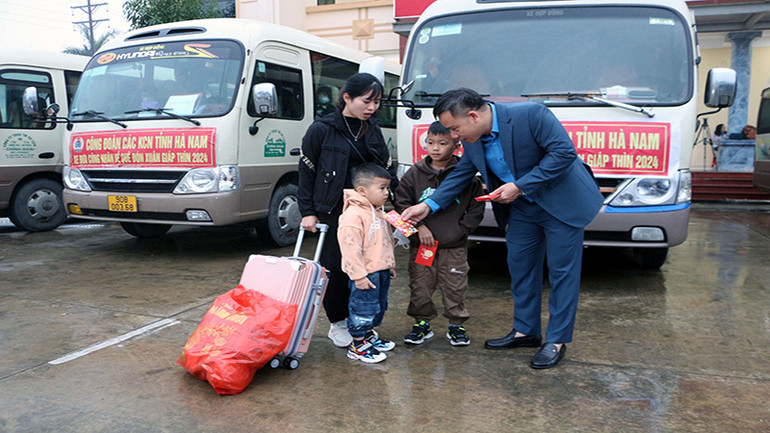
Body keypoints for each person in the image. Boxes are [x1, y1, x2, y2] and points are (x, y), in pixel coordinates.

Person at [401, 88, 603, 369]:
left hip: (561, 204)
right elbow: (460, 174)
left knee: (562, 273)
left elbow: (563, 153)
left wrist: (520, 186)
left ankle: (556, 340)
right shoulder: (473, 137)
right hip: (521, 208)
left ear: (473, 115)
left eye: (455, 129)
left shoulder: (531, 114)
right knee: (520, 267)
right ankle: (526, 331)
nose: (454, 137)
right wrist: (429, 206)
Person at [297, 73, 398, 348]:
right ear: (346, 97)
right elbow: (306, 172)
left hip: (367, 209)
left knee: (369, 266)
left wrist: (393, 202)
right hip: (332, 210)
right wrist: (308, 211)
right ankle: (338, 321)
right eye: (367, 101)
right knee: (336, 269)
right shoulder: (322, 129)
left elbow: (386, 169)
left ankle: (361, 322)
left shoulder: (373, 129)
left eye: (377, 103)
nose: (372, 108)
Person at [394, 121, 484, 346]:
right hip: (422, 247)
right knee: (420, 286)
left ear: (456, 145)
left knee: (455, 286)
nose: (435, 148)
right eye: (430, 142)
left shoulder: (466, 175)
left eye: (442, 143)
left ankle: (456, 325)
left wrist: (460, 232)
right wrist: (418, 229)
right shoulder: (414, 174)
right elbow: (400, 205)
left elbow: (476, 209)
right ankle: (421, 324)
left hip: (454, 247)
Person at [337, 163, 397, 363]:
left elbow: (385, 240)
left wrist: (390, 264)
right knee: (363, 307)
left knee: (378, 305)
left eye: (387, 188)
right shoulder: (353, 216)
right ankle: (357, 344)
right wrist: (358, 276)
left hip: (380, 270)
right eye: (382, 188)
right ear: (362, 190)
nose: (386, 193)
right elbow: (350, 249)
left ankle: (369, 336)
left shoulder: (378, 211)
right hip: (365, 274)